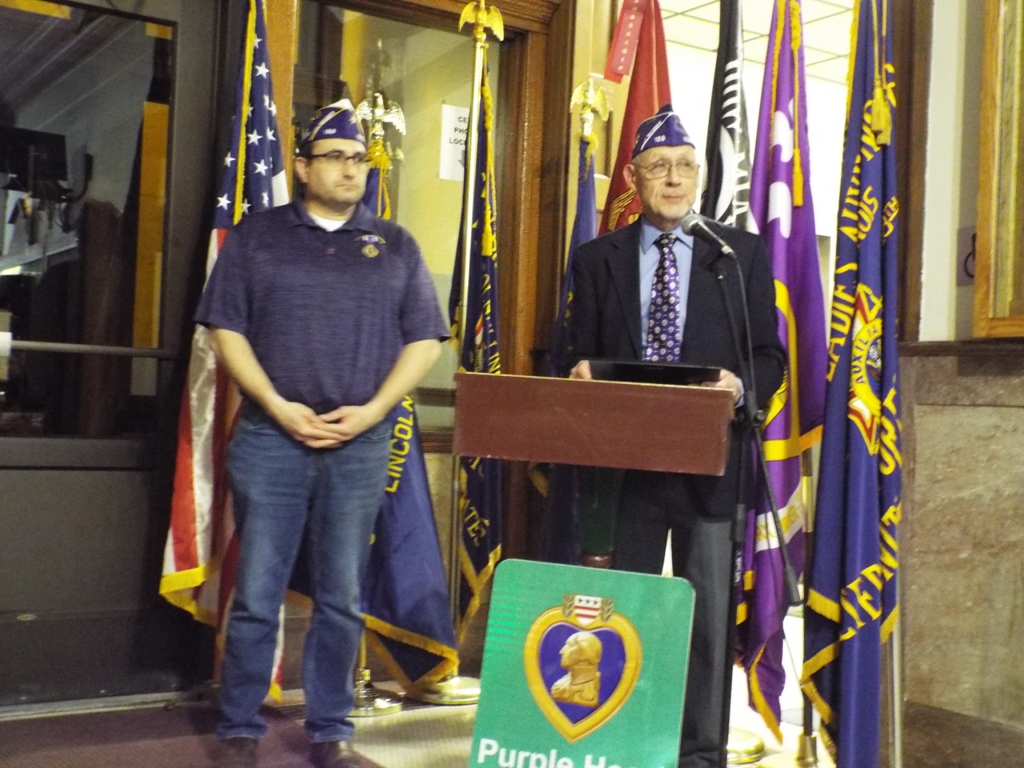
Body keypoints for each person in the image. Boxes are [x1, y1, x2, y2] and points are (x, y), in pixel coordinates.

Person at [196, 99, 448, 768]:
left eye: (358, 158)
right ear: (303, 166)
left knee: (341, 596)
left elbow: (426, 340)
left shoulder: (395, 245)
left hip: (358, 445)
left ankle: (331, 729)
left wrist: (373, 411)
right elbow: (225, 331)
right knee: (258, 593)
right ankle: (240, 728)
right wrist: (277, 405)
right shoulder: (258, 237)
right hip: (271, 439)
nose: (349, 169)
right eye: (334, 157)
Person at [567, 104, 786, 768]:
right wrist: (578, 371)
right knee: (622, 610)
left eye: (685, 166)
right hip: (624, 468)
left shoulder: (736, 255)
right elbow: (573, 353)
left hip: (710, 466)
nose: (674, 178)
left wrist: (740, 386)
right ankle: (620, 742)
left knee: (707, 618)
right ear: (633, 178)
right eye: (659, 166)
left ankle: (699, 753)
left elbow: (769, 357)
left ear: (698, 176)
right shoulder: (597, 259)